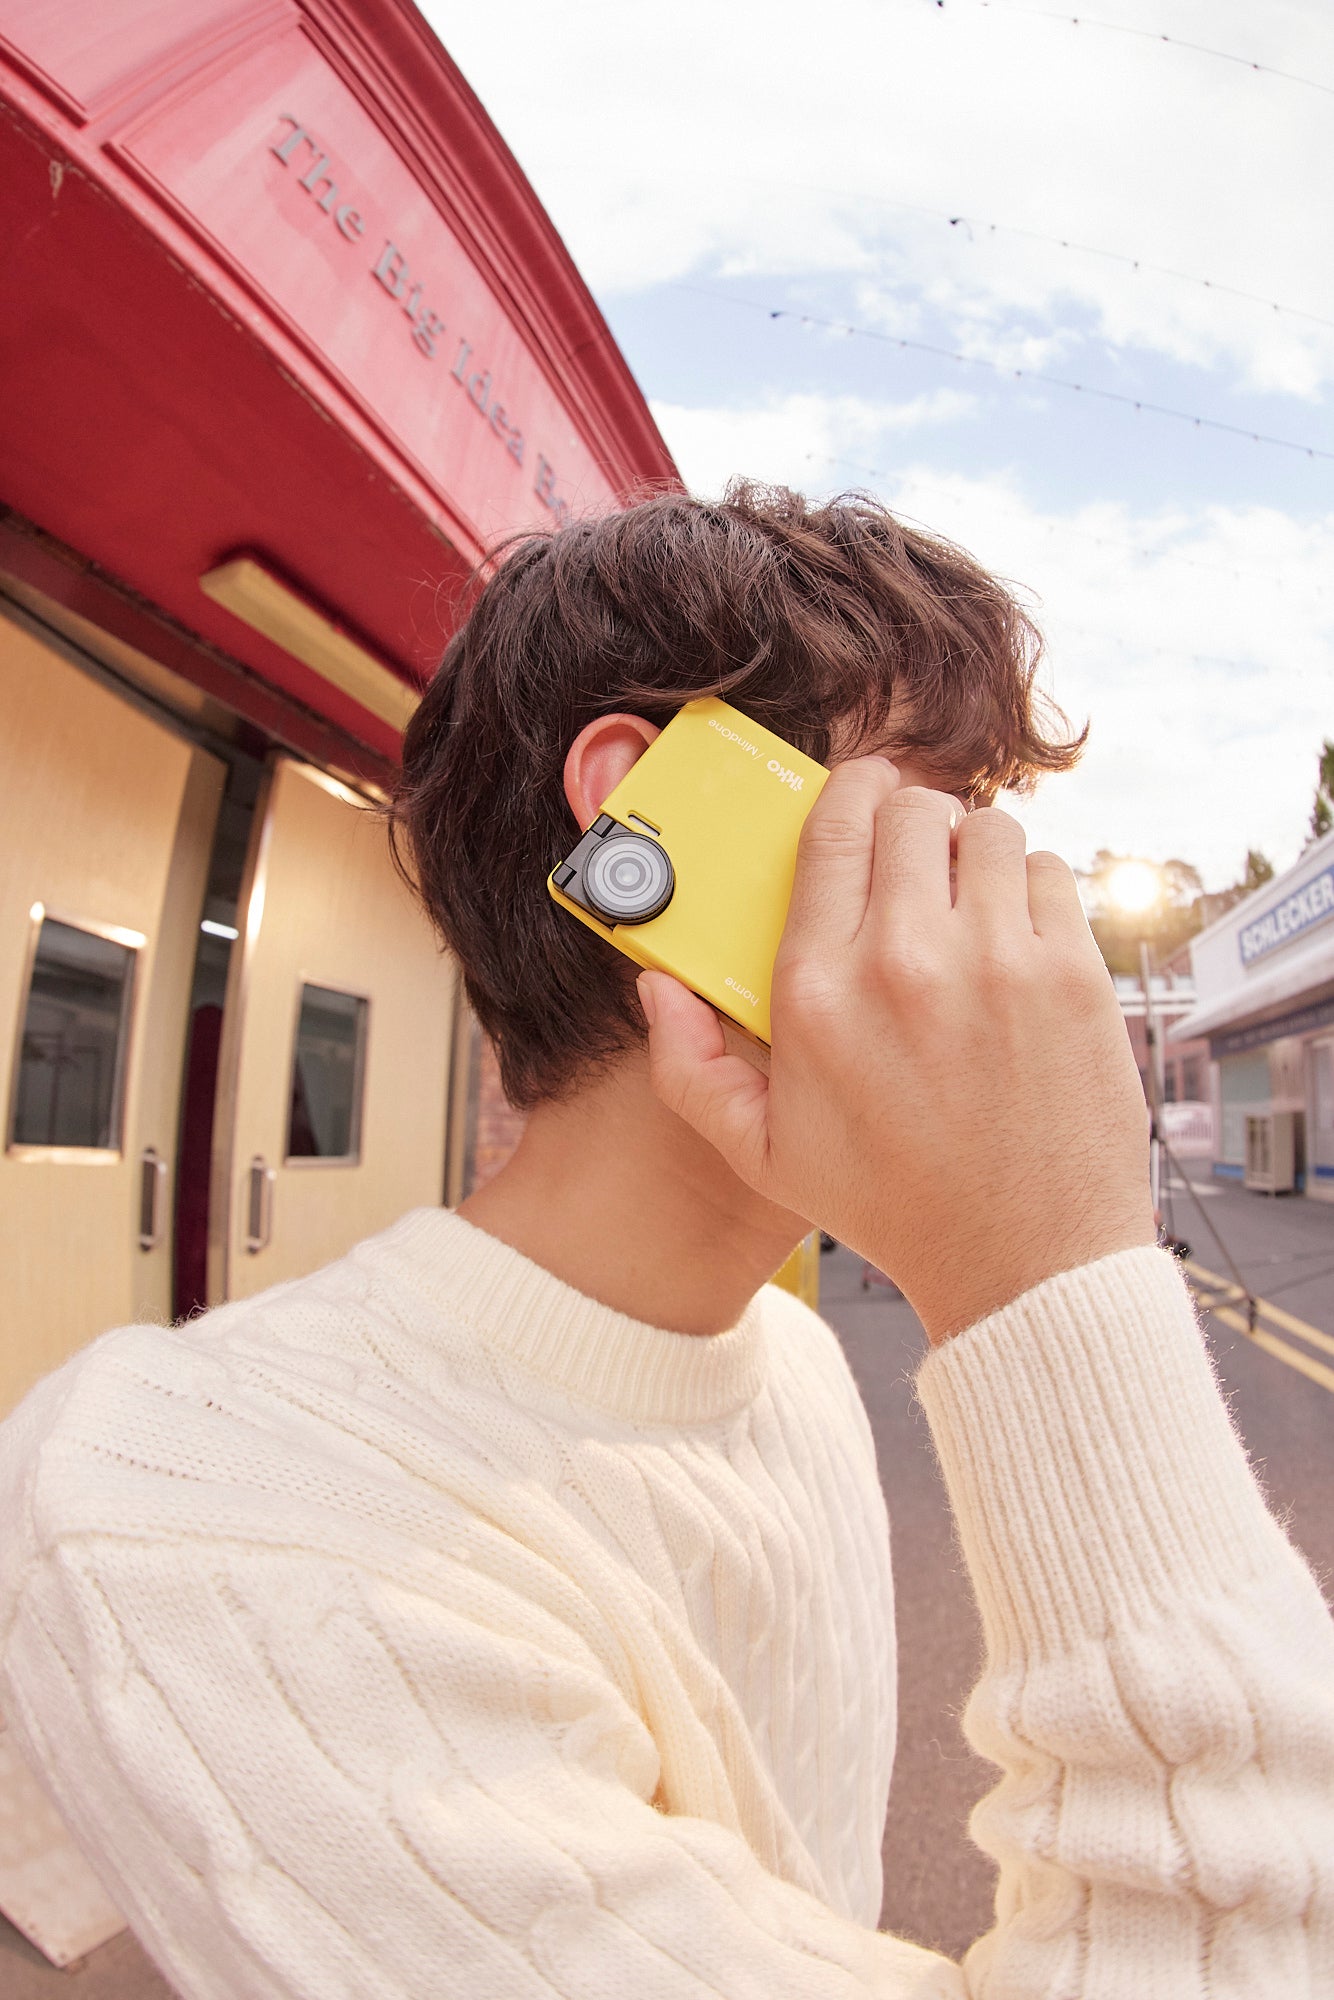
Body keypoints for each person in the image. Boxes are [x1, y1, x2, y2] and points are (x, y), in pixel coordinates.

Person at [1, 485, 1331, 1999]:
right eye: (944, 808)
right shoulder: (200, 1517)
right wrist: (1053, 1273)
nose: (1009, 898)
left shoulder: (794, 1366)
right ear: (650, 815)